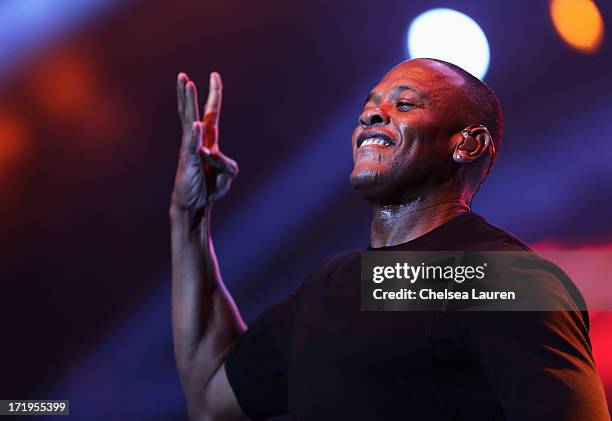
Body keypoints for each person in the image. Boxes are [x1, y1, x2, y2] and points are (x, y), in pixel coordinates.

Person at [169, 59, 610, 420]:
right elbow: (210, 395)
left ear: (467, 144)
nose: (371, 115)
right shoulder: (333, 285)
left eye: (405, 104)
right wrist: (189, 215)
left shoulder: (504, 280)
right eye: (370, 105)